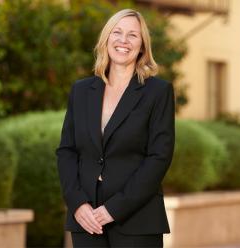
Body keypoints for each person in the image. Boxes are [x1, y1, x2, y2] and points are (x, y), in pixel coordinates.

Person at [56, 8, 175, 247]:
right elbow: (67, 151)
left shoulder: (158, 92)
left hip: (137, 220)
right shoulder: (81, 91)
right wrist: (77, 203)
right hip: (87, 220)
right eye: (117, 32)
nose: (123, 40)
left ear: (142, 45)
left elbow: (159, 157)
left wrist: (114, 208)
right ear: (106, 39)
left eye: (133, 35)